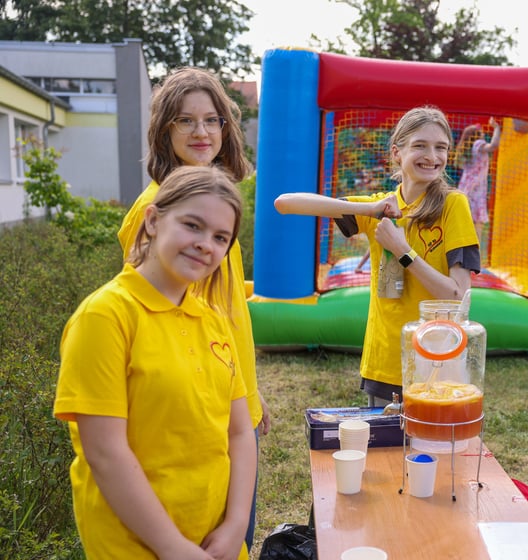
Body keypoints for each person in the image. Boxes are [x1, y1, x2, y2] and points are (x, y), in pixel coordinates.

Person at [54, 166, 256, 560]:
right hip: (135, 544)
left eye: (220, 237)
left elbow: (238, 433)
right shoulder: (105, 316)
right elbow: (105, 452)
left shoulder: (213, 319)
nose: (205, 245)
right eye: (192, 226)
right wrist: (172, 547)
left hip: (215, 539)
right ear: (152, 220)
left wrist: (234, 527)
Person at [116, 66, 269, 552]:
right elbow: (155, 323)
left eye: (212, 120)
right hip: (195, 410)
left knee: (233, 531)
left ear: (227, 128)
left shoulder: (215, 203)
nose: (201, 132)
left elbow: (226, 314)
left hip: (230, 396)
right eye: (186, 121)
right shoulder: (154, 211)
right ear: (165, 131)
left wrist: (249, 398)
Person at [275, 106, 480, 406]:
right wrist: (366, 210)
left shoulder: (453, 205)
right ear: (397, 152)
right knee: (384, 452)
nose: (432, 156)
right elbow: (285, 203)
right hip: (383, 362)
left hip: (436, 361)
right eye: (420, 146)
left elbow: (458, 295)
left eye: (441, 148)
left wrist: (403, 251)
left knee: (429, 450)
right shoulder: (379, 207)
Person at [454, 117, 502, 237]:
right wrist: (497, 129)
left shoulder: (466, 149)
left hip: (465, 187)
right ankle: (475, 252)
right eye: (481, 132)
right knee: (477, 223)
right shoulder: (478, 144)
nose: (483, 134)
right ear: (476, 135)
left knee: (466, 221)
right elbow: (493, 146)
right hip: (476, 189)